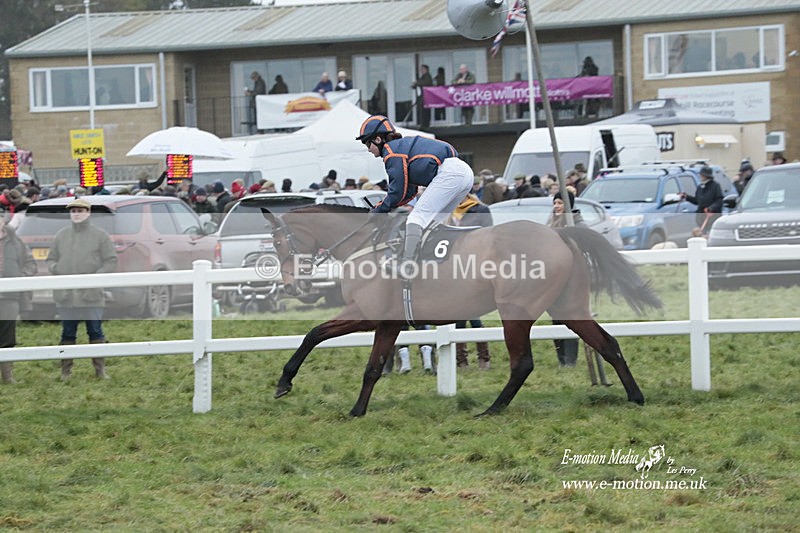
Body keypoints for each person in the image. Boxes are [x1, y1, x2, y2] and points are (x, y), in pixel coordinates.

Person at [357, 115, 473, 278]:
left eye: (367, 143)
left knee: (416, 219)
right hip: (462, 172)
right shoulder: (400, 148)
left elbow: (396, 192)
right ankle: (434, 264)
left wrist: (379, 210)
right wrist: (386, 207)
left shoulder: (391, 152)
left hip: (451, 173)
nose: (368, 149)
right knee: (432, 224)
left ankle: (407, 266)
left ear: (377, 139)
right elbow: (408, 192)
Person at [46, 198, 118, 381]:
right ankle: (65, 371)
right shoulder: (61, 235)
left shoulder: (100, 235)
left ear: (88, 212)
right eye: (73, 211)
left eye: (80, 210)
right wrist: (56, 269)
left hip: (91, 294)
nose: (76, 214)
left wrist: (95, 278)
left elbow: (111, 261)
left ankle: (100, 371)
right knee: (67, 333)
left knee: (95, 331)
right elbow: (51, 259)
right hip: (66, 294)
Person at [450, 194, 493, 369]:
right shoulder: (449, 210)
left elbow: (489, 234)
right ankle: (461, 359)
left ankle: (483, 356)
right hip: (454, 264)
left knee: (473, 314)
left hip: (475, 262)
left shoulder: (480, 209)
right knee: (459, 315)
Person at [547, 190, 585, 367]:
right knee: (556, 317)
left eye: (560, 203)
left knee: (571, 317)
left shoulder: (577, 223)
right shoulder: (550, 222)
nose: (556, 206)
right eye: (555, 203)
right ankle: (561, 359)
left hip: (572, 279)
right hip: (553, 279)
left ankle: (570, 360)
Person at [0, 210, 36, 384]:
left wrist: (20, 278)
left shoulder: (16, 241)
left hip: (9, 297)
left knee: (7, 337)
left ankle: (7, 376)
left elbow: (31, 263)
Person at [680, 166, 723, 235]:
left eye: (702, 175)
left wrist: (711, 208)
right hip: (701, 218)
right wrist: (686, 197)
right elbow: (697, 201)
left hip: (712, 218)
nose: (700, 176)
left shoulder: (715, 186)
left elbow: (719, 201)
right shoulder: (700, 187)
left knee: (710, 235)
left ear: (706, 176)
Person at [412, 64, 433, 128]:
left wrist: (417, 83)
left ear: (426, 69)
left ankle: (426, 125)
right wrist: (414, 85)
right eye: (421, 69)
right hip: (421, 97)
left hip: (426, 97)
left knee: (426, 112)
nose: (421, 70)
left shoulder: (428, 76)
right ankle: (423, 124)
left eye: (423, 69)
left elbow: (426, 83)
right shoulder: (422, 77)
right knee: (422, 112)